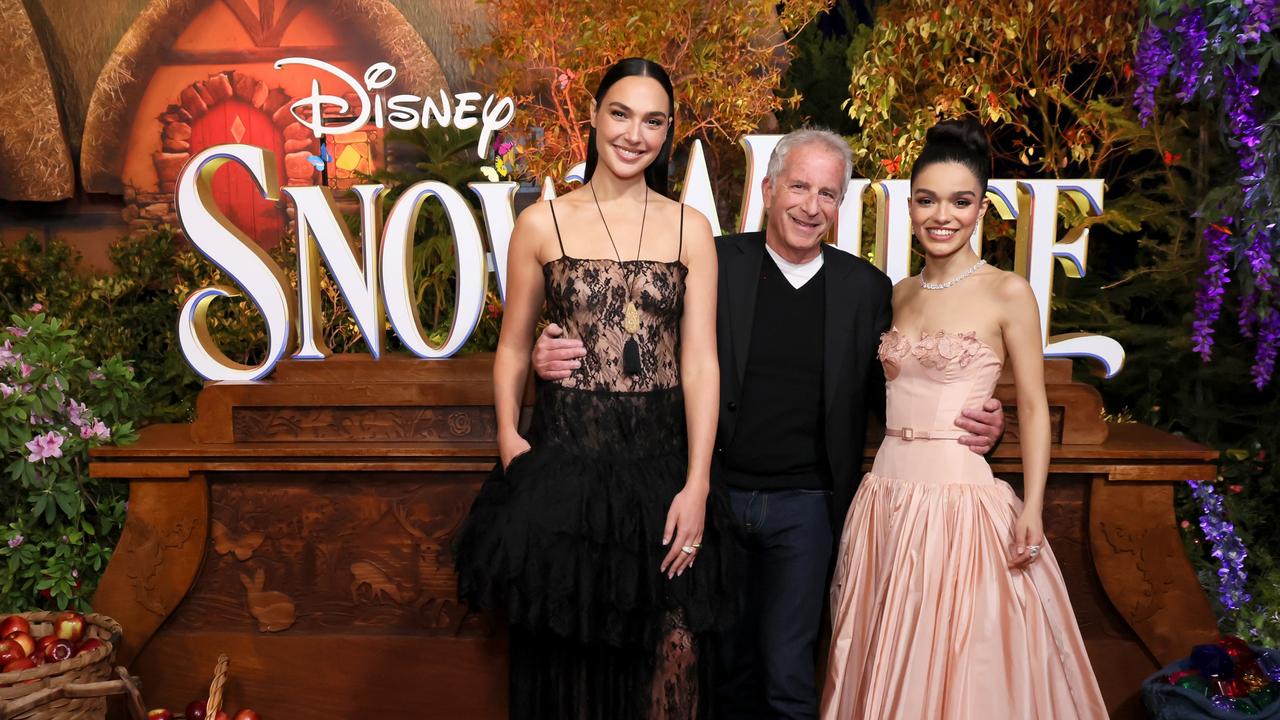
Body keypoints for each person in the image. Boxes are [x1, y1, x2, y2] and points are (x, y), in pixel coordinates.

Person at [534, 127, 1006, 719]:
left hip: (806, 507)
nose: (811, 206)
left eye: (827, 193)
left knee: (788, 669)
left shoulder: (866, 289)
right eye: (799, 186)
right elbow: (638, 335)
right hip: (718, 498)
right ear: (768, 188)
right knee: (725, 668)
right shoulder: (717, 262)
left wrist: (982, 416)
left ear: (840, 205)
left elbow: (896, 394)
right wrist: (543, 349)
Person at [453, 58, 734, 720]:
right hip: (566, 470)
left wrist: (697, 485)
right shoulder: (541, 225)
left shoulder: (690, 228)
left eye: (654, 120)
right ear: (594, 117)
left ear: (668, 133)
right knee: (570, 670)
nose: (635, 133)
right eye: (621, 113)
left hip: (663, 475)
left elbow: (700, 363)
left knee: (675, 657)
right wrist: (507, 438)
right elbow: (515, 347)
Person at [820, 119, 1107, 719]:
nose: (940, 215)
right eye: (926, 200)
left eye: (960, 201)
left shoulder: (1008, 293)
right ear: (911, 205)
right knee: (882, 652)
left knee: (958, 658)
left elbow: (1030, 405)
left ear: (981, 208)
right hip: (885, 498)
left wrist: (1031, 505)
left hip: (960, 504)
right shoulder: (897, 293)